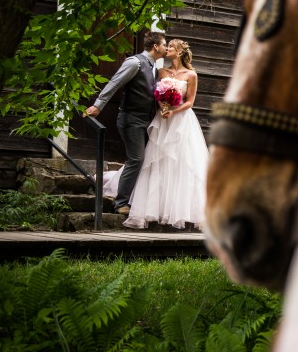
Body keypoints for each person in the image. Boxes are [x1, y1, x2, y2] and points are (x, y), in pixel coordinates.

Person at [121, 38, 208, 229]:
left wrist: (173, 111)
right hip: (163, 119)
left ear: (178, 52)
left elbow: (190, 102)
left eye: (170, 48)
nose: (167, 49)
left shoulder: (191, 75)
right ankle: (155, 208)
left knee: (182, 162)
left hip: (182, 120)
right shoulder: (161, 72)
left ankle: (181, 211)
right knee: (157, 160)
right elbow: (156, 93)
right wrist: (163, 107)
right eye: (166, 46)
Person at [84, 32, 168, 216]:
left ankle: (132, 198)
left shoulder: (154, 67)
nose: (166, 48)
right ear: (156, 47)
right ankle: (121, 203)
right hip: (131, 119)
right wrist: (98, 106)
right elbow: (114, 83)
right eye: (164, 45)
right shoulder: (135, 62)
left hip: (146, 121)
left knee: (142, 160)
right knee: (136, 159)